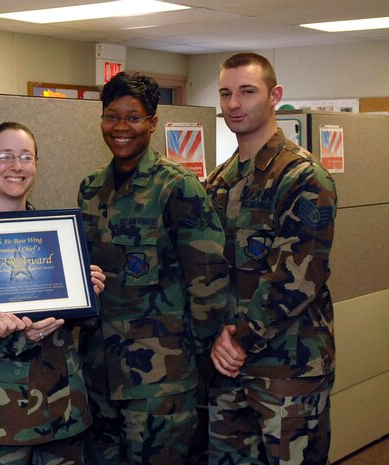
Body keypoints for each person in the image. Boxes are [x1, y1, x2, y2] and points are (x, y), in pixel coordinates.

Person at [77, 72, 229, 465]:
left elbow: (208, 279)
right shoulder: (91, 189)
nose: (120, 128)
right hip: (99, 372)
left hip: (161, 377)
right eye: (111, 117)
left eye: (133, 117)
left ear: (152, 122)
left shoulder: (177, 187)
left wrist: (194, 359)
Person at [205, 52, 337, 465]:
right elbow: (209, 272)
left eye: (247, 92)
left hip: (288, 367)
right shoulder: (219, 180)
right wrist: (218, 338)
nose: (234, 104)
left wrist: (237, 340)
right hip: (227, 366)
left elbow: (297, 279)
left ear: (274, 95)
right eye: (226, 93)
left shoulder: (303, 177)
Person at [0, 121, 106, 465]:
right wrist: (20, 338)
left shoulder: (58, 235)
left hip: (62, 411)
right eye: (5, 156)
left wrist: (87, 294)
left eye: (26, 157)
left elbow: (79, 322)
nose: (16, 166)